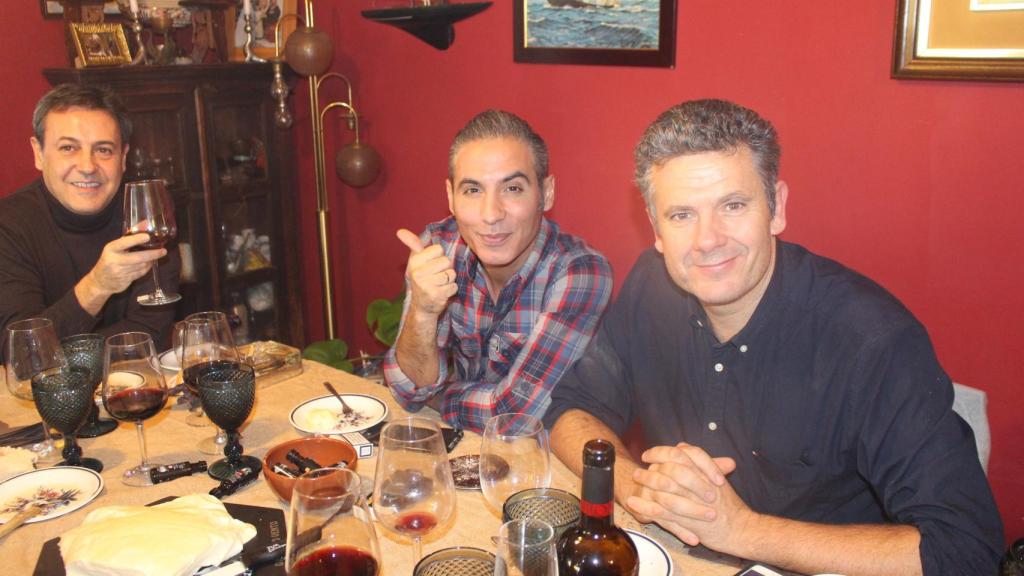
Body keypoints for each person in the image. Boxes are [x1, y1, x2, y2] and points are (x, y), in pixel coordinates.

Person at [544, 99, 1003, 575]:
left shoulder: (873, 341)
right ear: (656, 228)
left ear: (777, 208)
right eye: (681, 215)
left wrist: (741, 529)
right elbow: (571, 409)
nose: (707, 240)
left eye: (733, 205)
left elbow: (966, 550)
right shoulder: (650, 287)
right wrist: (639, 487)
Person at [383, 110, 612, 433]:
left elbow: (515, 417)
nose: (491, 215)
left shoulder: (580, 273)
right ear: (450, 197)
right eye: (473, 190)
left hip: (545, 465)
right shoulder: (438, 246)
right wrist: (423, 310)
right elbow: (406, 387)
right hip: (465, 451)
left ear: (545, 194)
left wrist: (437, 395)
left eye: (513, 189)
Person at [0, 84, 179, 362]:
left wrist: (62, 348)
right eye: (68, 148)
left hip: (133, 385)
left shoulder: (146, 214)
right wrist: (97, 286)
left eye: (104, 150)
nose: (87, 166)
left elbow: (150, 332)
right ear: (38, 153)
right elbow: (21, 354)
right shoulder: (8, 226)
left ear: (123, 157)